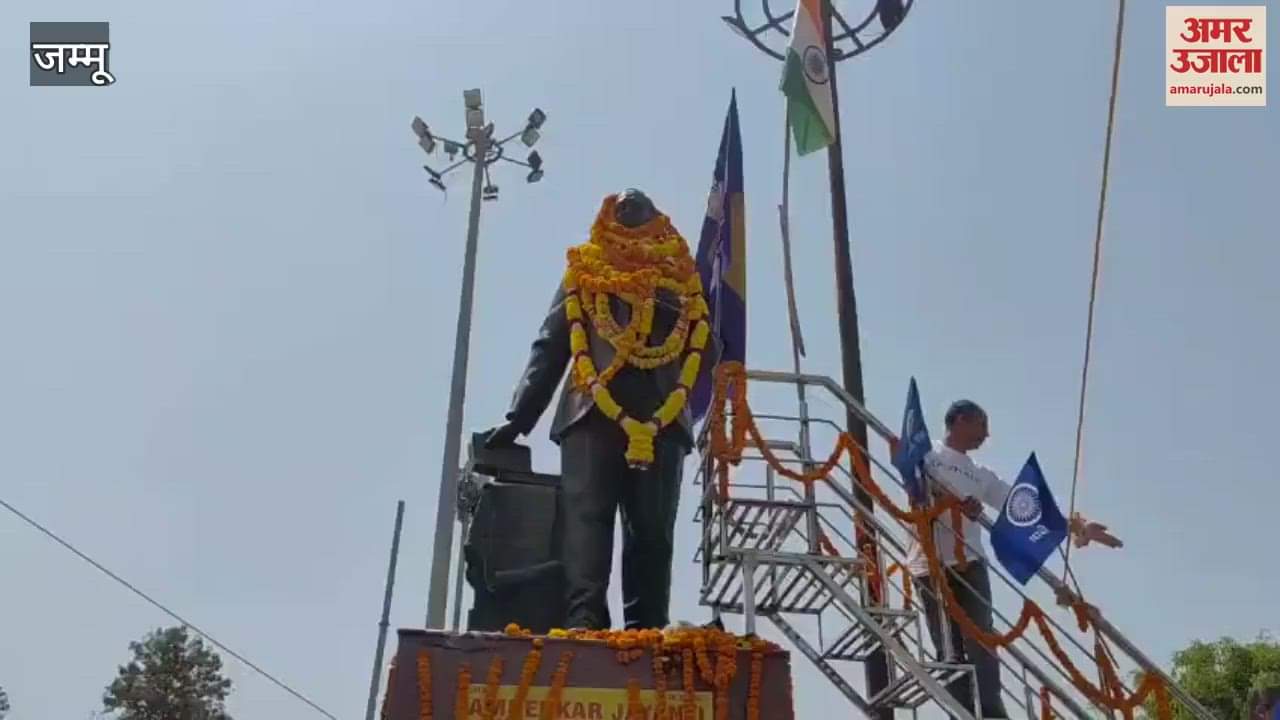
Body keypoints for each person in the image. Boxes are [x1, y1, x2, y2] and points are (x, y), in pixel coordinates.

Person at [484, 189, 719, 631]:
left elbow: (706, 347)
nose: (630, 209)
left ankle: (646, 629)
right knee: (586, 521)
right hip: (590, 411)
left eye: (639, 208)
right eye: (623, 208)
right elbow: (552, 340)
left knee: (651, 532)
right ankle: (584, 620)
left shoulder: (682, 280)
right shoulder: (586, 269)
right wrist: (520, 415)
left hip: (660, 420)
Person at [907, 399, 1122, 719]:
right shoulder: (928, 453)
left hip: (970, 565)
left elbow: (1025, 507)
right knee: (947, 649)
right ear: (962, 420)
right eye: (982, 425)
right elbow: (914, 480)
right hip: (929, 564)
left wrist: (1077, 524)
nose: (986, 435)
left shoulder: (981, 474)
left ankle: (992, 713)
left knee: (983, 642)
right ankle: (963, 712)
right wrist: (950, 497)